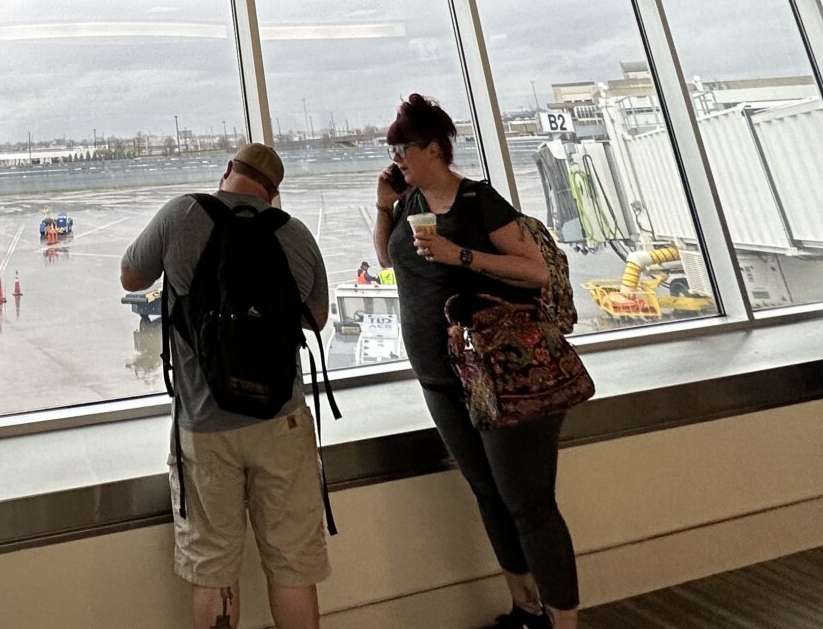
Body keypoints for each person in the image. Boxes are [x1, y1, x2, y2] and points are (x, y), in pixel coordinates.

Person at [374, 94, 579, 629]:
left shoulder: (478, 201)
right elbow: (385, 259)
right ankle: (525, 607)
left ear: (436, 147)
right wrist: (382, 207)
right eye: (392, 147)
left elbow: (534, 271)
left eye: (404, 146)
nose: (396, 156)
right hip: (440, 378)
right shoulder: (408, 205)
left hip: (498, 374)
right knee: (488, 494)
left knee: (529, 504)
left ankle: (564, 621)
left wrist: (457, 255)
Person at [121, 143, 331, 629]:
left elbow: (132, 276)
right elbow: (316, 318)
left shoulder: (181, 214)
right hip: (283, 417)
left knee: (213, 568)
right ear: (273, 193)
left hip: (204, 421)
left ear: (226, 172)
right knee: (293, 565)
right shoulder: (295, 233)